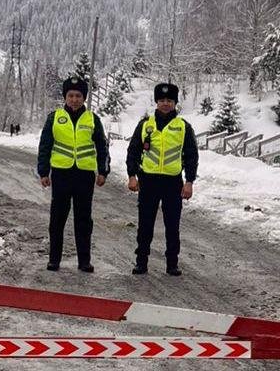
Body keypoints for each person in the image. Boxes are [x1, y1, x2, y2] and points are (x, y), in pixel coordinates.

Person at [36, 77, 110, 273]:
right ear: (65, 97)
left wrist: (103, 171)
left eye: (78, 96)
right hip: (61, 174)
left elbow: (102, 147)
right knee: (57, 218)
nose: (75, 99)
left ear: (84, 97)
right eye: (71, 95)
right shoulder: (54, 117)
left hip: (84, 176)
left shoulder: (93, 119)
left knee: (83, 220)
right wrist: (44, 171)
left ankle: (84, 261)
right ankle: (54, 259)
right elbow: (45, 145)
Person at [126, 82, 198, 276]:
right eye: (162, 100)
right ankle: (141, 262)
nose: (165, 104)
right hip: (148, 181)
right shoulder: (145, 125)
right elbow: (133, 151)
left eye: (169, 100)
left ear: (175, 103)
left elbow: (191, 156)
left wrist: (189, 182)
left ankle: (172, 263)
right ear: (156, 102)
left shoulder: (183, 127)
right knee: (145, 224)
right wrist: (132, 176)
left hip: (172, 182)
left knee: (172, 225)